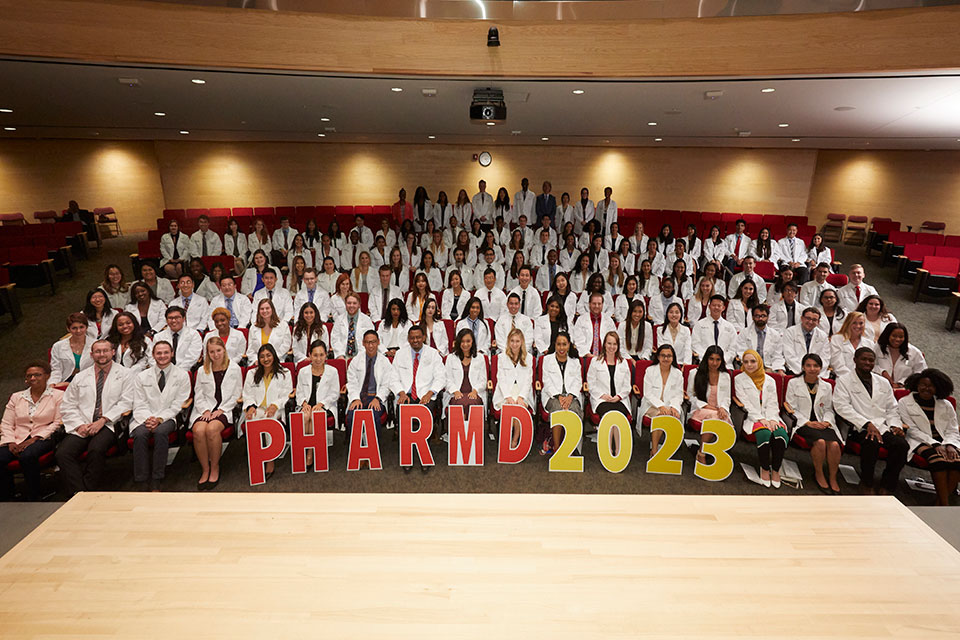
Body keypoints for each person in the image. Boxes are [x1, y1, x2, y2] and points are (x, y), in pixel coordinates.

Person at [56, 340, 133, 495]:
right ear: (91, 355)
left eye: (105, 350)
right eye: (97, 351)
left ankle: (89, 489)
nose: (101, 354)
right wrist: (79, 425)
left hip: (109, 423)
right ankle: (79, 492)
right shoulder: (80, 377)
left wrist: (103, 420)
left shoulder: (125, 374)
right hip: (83, 424)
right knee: (63, 453)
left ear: (113, 352)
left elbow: (127, 402)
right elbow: (68, 405)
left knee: (96, 450)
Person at [834, 347, 909, 495]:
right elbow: (841, 407)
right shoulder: (844, 381)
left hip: (882, 426)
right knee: (871, 442)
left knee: (901, 445)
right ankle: (867, 483)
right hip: (858, 427)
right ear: (855, 360)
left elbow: (892, 408)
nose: (867, 363)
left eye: (871, 360)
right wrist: (866, 423)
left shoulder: (883, 382)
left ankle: (887, 485)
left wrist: (895, 425)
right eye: (864, 359)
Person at [130, 341, 189, 491]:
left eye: (166, 353)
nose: (162, 356)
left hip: (168, 416)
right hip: (144, 417)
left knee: (161, 432)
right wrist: (149, 419)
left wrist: (160, 419)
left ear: (172, 354)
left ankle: (157, 477)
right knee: (140, 434)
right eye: (159, 353)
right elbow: (139, 402)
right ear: (153, 355)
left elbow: (178, 404)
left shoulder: (182, 375)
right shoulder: (142, 377)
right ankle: (141, 479)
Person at [0, 362, 63, 501]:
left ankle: (34, 494)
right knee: (1, 457)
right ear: (26, 379)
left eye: (37, 375)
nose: (33, 378)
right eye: (30, 376)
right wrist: (10, 441)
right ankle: (7, 495)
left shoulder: (58, 395)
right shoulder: (16, 397)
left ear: (47, 376)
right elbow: (6, 423)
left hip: (44, 437)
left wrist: (34, 438)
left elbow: (58, 422)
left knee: (27, 456)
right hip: (17, 437)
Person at [899, 369, 960, 506]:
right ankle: (945, 505)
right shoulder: (905, 402)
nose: (926, 388)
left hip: (944, 441)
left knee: (957, 461)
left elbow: (952, 429)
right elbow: (912, 430)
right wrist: (934, 444)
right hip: (919, 440)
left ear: (937, 387)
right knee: (937, 461)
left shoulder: (946, 404)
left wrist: (950, 445)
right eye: (923, 384)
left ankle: (939, 503)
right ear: (916, 385)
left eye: (931, 386)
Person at [784, 353, 842, 494]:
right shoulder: (793, 383)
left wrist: (826, 422)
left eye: (816, 366)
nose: (812, 369)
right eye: (808, 365)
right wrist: (808, 422)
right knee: (820, 442)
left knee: (834, 445)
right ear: (803, 367)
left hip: (823, 423)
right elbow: (790, 408)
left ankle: (833, 478)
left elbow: (828, 408)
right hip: (803, 424)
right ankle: (819, 474)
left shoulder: (827, 386)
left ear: (821, 368)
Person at [191, 337, 240, 490]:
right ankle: (205, 468)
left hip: (225, 408)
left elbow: (237, 394)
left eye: (218, 350)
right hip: (204, 409)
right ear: (208, 353)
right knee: (198, 430)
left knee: (212, 429)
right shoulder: (202, 370)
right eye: (212, 352)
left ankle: (215, 468)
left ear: (224, 350)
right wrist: (205, 410)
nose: (216, 354)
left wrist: (222, 410)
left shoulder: (234, 368)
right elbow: (198, 394)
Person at [393, 325, 444, 471]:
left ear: (423, 338)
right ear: (408, 339)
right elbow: (393, 378)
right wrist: (401, 393)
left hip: (425, 395)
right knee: (403, 412)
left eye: (418, 337)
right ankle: (407, 456)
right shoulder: (400, 354)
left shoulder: (433, 354)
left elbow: (441, 377)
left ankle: (424, 454)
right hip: (407, 394)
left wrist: (430, 393)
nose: (415, 340)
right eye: (412, 338)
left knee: (425, 415)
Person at [735, 350, 788, 488]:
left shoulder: (770, 380)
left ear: (759, 362)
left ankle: (776, 469)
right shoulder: (739, 379)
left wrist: (771, 419)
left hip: (771, 416)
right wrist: (760, 419)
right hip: (752, 418)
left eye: (753, 361)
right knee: (764, 433)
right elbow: (745, 403)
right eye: (745, 362)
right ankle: (764, 468)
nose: (749, 365)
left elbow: (773, 403)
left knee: (780, 434)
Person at [242, 344, 292, 480]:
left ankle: (270, 460)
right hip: (257, 408)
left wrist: (275, 405)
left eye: (268, 355)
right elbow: (247, 394)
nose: (266, 359)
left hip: (275, 409)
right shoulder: (251, 373)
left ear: (274, 356)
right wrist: (250, 406)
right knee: (252, 419)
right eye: (262, 356)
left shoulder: (285, 373)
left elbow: (287, 394)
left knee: (269, 421)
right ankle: (257, 459)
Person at [295, 340, 339, 470]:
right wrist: (304, 403)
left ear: (326, 355)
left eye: (321, 355)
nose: (318, 359)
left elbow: (335, 394)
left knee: (314, 416)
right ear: (309, 355)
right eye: (315, 355)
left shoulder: (332, 371)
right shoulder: (303, 371)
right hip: (306, 405)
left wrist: (321, 404)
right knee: (305, 416)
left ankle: (310, 451)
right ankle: (309, 447)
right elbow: (299, 392)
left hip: (325, 406)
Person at [688, 345, 732, 464]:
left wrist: (723, 408)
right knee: (714, 418)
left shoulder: (725, 376)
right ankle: (702, 453)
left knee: (717, 417)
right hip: (700, 409)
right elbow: (690, 396)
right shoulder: (694, 373)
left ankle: (703, 451)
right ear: (706, 359)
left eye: (718, 359)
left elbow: (727, 398)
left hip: (719, 411)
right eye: (711, 359)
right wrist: (707, 407)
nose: (714, 363)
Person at [639, 343, 684, 456]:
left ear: (673, 358)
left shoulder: (678, 374)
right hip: (651, 405)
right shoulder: (650, 370)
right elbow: (647, 394)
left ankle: (665, 450)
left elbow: (679, 395)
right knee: (661, 416)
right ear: (658, 357)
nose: (666, 358)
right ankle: (654, 450)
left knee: (668, 415)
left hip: (670, 406)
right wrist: (660, 406)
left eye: (669, 356)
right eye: (663, 355)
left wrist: (674, 407)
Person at [494, 328, 535, 448]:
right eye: (512, 341)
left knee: (518, 407)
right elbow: (500, 379)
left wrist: (522, 397)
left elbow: (528, 380)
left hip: (522, 391)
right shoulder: (501, 358)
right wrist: (507, 396)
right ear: (508, 342)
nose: (514, 344)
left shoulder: (529, 358)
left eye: (517, 341)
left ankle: (515, 438)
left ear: (522, 342)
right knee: (511, 406)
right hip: (504, 391)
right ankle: (506, 439)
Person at [445, 328, 487, 414]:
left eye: (468, 341)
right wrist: (455, 391)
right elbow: (447, 379)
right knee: (459, 404)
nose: (465, 344)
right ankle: (462, 428)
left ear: (472, 342)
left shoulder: (480, 358)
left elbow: (483, 380)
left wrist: (475, 391)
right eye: (462, 341)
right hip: (455, 394)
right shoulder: (450, 358)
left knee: (473, 403)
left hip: (475, 394)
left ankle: (472, 428)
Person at [873, 323, 926, 388]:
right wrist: (882, 372)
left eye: (901, 337)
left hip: (905, 388)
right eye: (894, 336)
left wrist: (901, 383)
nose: (897, 339)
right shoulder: (878, 348)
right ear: (887, 335)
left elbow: (921, 372)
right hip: (879, 385)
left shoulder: (915, 352)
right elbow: (870, 365)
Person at [782, 307, 831, 376]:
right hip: (795, 371)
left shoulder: (823, 336)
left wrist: (814, 371)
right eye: (808, 318)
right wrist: (804, 372)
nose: (810, 322)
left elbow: (825, 358)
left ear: (818, 322)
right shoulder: (790, 332)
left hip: (817, 374)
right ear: (802, 318)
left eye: (814, 320)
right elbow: (789, 356)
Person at [735, 305, 785, 372]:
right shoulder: (744, 333)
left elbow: (777, 355)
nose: (760, 319)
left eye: (763, 316)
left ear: (768, 317)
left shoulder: (775, 334)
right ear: (752, 317)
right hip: (749, 366)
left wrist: (780, 369)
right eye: (757, 316)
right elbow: (741, 352)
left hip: (768, 367)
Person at [692, 295, 738, 367]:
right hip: (704, 363)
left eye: (719, 306)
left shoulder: (730, 327)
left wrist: (722, 360)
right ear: (709, 306)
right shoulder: (699, 324)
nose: (716, 308)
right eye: (714, 305)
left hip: (725, 364)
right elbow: (695, 344)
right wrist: (708, 359)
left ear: (723, 308)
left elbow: (733, 348)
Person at [50, 313, 94, 384]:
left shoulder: (95, 344)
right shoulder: (58, 346)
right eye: (74, 328)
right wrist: (53, 384)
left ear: (87, 327)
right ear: (68, 329)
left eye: (81, 327)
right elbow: (56, 370)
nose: (78, 331)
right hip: (65, 380)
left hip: (89, 381)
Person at [829, 311, 874, 377]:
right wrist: (852, 377)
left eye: (861, 323)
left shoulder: (869, 343)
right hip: (843, 378)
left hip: (864, 379)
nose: (858, 326)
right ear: (848, 323)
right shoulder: (837, 339)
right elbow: (836, 363)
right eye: (854, 323)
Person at [331, 293, 374, 359]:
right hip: (344, 356)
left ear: (359, 305)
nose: (351, 305)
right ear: (345, 304)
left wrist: (363, 355)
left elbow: (371, 339)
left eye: (354, 303)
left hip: (362, 356)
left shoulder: (366, 320)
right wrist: (340, 355)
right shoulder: (339, 320)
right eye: (349, 303)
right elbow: (335, 339)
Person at [572, 292, 615, 357]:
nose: (596, 306)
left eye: (599, 304)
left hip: (605, 357)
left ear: (602, 305)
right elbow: (579, 342)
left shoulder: (609, 320)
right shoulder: (581, 320)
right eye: (594, 304)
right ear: (589, 304)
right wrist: (589, 355)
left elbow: (614, 340)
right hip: (586, 357)